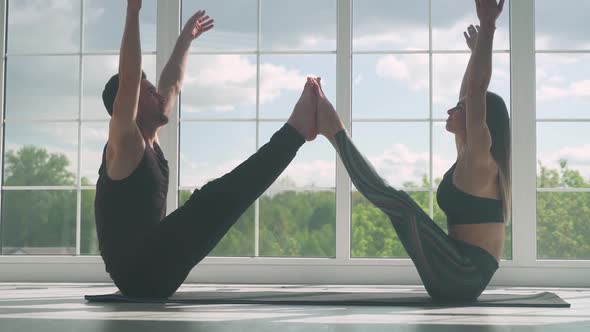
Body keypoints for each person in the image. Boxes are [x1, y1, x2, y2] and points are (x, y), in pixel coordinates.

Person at [96, 0, 318, 298]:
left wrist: (185, 40)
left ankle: (296, 132)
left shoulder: (152, 138)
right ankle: (297, 131)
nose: (160, 96)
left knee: (217, 198)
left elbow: (172, 83)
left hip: (155, 267)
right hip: (137, 271)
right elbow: (129, 79)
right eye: (150, 93)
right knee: (212, 198)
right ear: (131, 106)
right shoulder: (124, 143)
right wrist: (133, 12)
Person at [311, 0, 510, 301]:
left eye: (459, 109)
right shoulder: (468, 154)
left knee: (400, 204)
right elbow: (469, 91)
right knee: (400, 204)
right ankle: (335, 133)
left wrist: (488, 29)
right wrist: (474, 55)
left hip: (464, 275)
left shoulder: (481, 160)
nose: (450, 109)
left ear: (479, 122)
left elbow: (476, 91)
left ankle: (335, 132)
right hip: (456, 269)